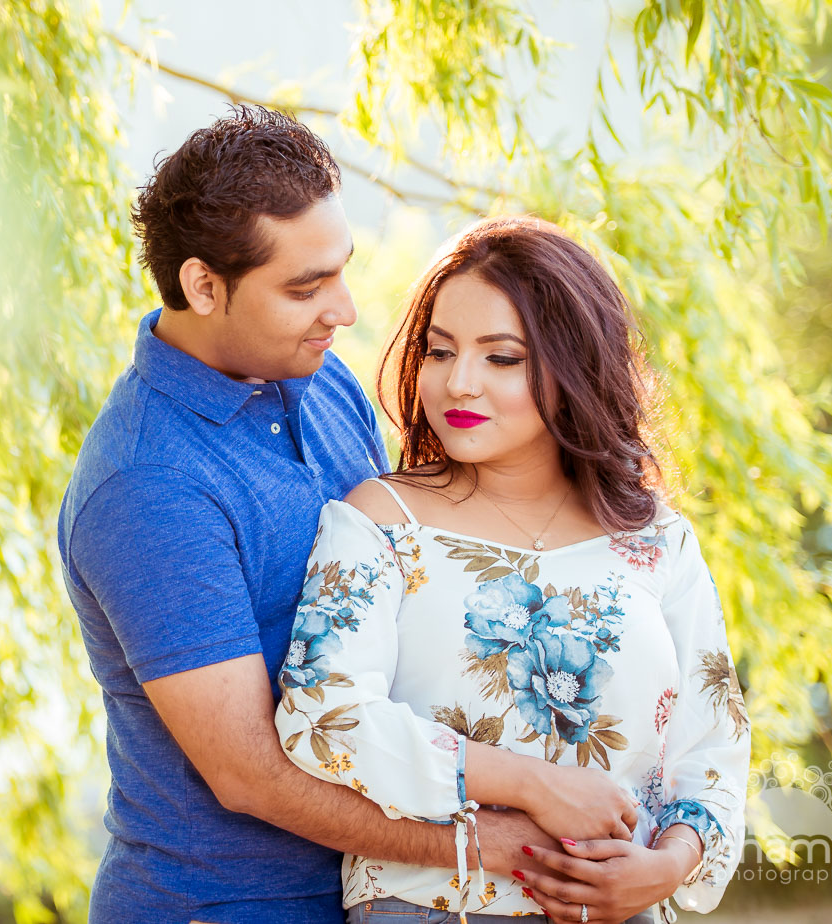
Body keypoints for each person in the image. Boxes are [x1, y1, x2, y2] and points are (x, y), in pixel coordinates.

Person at [59, 109, 575, 924]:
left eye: (341, 271)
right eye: (305, 288)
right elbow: (248, 774)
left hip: (374, 892)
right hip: (228, 907)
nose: (345, 310)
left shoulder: (322, 380)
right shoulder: (148, 486)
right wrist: (495, 842)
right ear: (203, 286)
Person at [276, 217, 751, 924]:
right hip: (430, 907)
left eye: (501, 358)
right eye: (440, 351)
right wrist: (531, 785)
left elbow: (714, 745)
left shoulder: (656, 539)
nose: (458, 383)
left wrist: (667, 865)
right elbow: (323, 716)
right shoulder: (380, 522)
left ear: (575, 365)